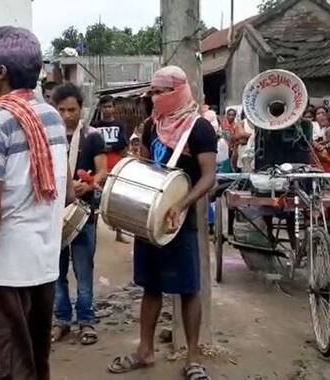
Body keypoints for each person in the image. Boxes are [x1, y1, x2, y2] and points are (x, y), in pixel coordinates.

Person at [0, 27, 72, 380]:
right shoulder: (52, 117)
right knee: (37, 362)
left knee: (7, 367)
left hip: (8, 270)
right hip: (44, 264)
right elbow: (63, 190)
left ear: (1, 72)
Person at [108, 66, 216, 379]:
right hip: (149, 219)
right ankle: (145, 350)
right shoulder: (152, 126)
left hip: (180, 221)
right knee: (151, 286)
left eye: (160, 92)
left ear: (178, 91)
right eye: (152, 92)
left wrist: (180, 205)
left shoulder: (199, 129)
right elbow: (143, 166)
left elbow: (209, 176)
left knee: (188, 288)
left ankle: (193, 357)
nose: (154, 97)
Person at [51, 82, 107, 346]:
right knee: (56, 272)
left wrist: (88, 184)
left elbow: (102, 172)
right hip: (55, 213)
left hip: (84, 213)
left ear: (81, 108)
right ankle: (61, 320)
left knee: (83, 270)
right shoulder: (49, 136)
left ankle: (86, 321)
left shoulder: (92, 136)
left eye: (71, 109)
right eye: (61, 109)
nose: (66, 115)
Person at [93, 95, 129, 243]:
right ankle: (93, 231)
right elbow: (92, 143)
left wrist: (108, 147)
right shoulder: (95, 125)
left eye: (110, 106)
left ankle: (119, 233)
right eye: (105, 106)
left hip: (115, 163)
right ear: (100, 108)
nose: (107, 109)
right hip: (99, 164)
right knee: (95, 199)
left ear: (114, 108)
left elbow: (123, 142)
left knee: (116, 198)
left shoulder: (119, 125)